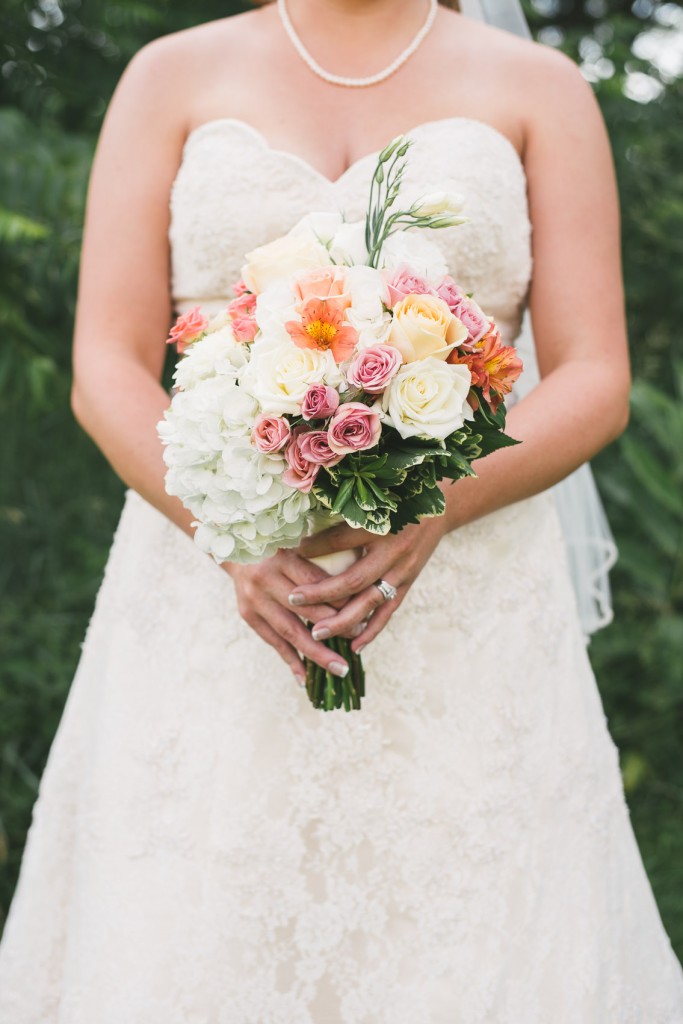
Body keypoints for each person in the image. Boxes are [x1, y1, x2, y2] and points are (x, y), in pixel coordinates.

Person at [1, 0, 682, 1019]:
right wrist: (219, 533)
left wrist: (439, 503)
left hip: (464, 610)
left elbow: (592, 375)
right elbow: (106, 363)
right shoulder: (168, 75)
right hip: (204, 597)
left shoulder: (540, 90)